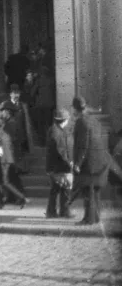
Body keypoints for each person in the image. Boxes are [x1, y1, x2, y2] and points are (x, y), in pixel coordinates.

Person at [72, 96, 110, 225]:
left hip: (89, 162)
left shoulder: (81, 122)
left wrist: (77, 163)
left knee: (88, 190)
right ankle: (96, 217)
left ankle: (89, 219)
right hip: (99, 161)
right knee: (95, 191)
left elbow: (83, 145)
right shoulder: (94, 120)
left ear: (75, 109)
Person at [0, 103, 29, 209]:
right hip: (8, 156)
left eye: (3, 111)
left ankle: (16, 198)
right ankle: (11, 198)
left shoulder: (11, 124)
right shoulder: (8, 124)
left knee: (5, 179)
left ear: (8, 112)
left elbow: (9, 140)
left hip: (8, 156)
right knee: (10, 179)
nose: (1, 113)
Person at [45, 108, 74, 219]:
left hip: (57, 166)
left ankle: (53, 212)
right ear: (64, 120)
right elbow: (60, 150)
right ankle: (63, 211)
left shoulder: (57, 130)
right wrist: (69, 163)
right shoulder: (56, 132)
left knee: (57, 189)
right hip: (60, 166)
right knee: (65, 189)